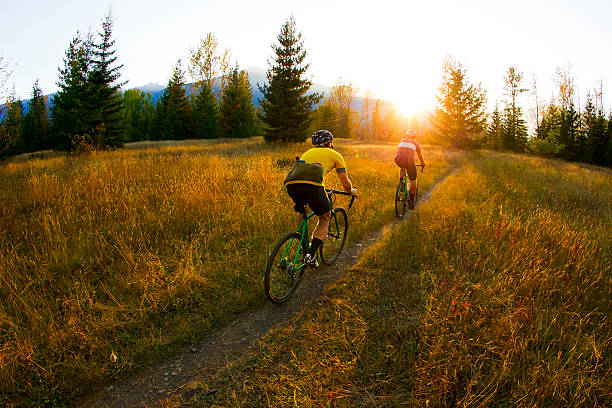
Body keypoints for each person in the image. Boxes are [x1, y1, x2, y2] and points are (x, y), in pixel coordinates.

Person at [283, 130, 358, 268]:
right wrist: (351, 191)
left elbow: (306, 175)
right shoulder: (335, 155)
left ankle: (301, 240)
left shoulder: (308, 152)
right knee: (325, 216)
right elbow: (345, 183)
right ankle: (310, 256)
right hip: (313, 187)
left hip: (291, 185)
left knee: (303, 208)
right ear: (330, 143)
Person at [394, 129, 425, 209]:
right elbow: (420, 156)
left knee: (402, 167)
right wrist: (422, 163)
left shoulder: (401, 141)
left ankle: (401, 183)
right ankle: (411, 199)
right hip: (410, 163)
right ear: (415, 136)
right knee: (413, 180)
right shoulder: (415, 143)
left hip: (399, 160)